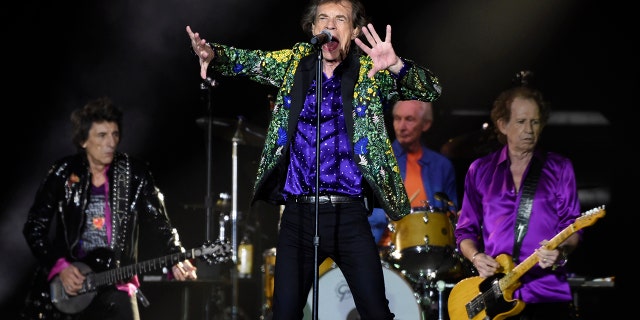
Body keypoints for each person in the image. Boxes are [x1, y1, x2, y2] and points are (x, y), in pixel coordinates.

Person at [186, 0, 442, 318]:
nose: (330, 26)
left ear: (355, 30)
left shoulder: (371, 72)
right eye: (323, 19)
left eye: (340, 19)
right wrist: (215, 55)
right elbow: (253, 62)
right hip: (298, 216)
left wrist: (398, 66)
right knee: (285, 313)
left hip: (349, 214)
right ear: (312, 28)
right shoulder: (297, 63)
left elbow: (431, 89)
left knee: (376, 312)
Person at [20, 97, 198, 320]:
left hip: (116, 285)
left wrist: (176, 257)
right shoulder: (63, 172)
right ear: (84, 140)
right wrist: (60, 266)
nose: (110, 143)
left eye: (114, 135)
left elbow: (160, 223)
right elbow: (34, 227)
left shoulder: (134, 174)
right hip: (68, 287)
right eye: (102, 136)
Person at [453, 84, 581, 319]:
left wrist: (560, 252)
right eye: (521, 122)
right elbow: (465, 231)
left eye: (535, 122)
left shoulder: (560, 168)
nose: (529, 130)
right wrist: (476, 257)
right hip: (496, 293)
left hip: (546, 292)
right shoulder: (480, 170)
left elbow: (572, 226)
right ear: (503, 125)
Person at [368, 99, 458, 245]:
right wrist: (383, 214)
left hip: (430, 249)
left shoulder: (442, 166)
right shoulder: (375, 160)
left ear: (426, 124)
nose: (401, 127)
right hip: (382, 252)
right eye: (397, 118)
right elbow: (355, 211)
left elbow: (452, 215)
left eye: (409, 119)